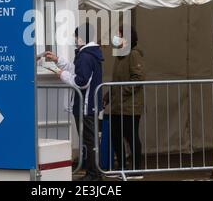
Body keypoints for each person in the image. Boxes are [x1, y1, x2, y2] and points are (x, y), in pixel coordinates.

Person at [44, 23, 103, 181]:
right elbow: (76, 69)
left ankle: (93, 175)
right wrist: (59, 61)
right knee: (90, 140)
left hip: (85, 105)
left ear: (82, 38)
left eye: (76, 37)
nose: (74, 40)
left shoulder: (85, 56)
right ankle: (93, 173)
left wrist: (62, 75)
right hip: (90, 105)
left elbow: (81, 81)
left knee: (89, 141)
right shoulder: (90, 54)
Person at [109, 25, 145, 173]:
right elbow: (116, 80)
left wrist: (122, 92)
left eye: (119, 34)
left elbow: (138, 78)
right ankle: (122, 166)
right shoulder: (119, 56)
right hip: (118, 106)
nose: (116, 37)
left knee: (131, 137)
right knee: (116, 136)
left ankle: (136, 169)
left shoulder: (134, 54)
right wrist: (108, 96)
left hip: (130, 106)